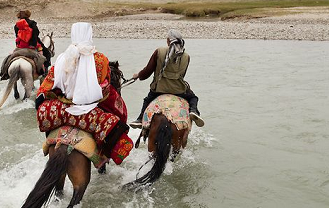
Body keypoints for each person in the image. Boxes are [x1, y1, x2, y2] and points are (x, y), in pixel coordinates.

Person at [35, 22, 133, 166]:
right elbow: (104, 84)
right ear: (90, 35)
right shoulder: (100, 59)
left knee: (43, 108)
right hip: (90, 110)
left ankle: (49, 142)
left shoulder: (62, 58)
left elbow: (48, 85)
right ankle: (104, 155)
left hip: (63, 109)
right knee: (119, 116)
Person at [129, 29, 204, 127]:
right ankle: (194, 111)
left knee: (147, 100)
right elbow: (182, 75)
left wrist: (138, 75)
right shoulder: (186, 56)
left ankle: (140, 119)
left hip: (158, 90)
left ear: (168, 40)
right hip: (178, 91)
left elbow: (147, 72)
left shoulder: (159, 51)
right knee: (193, 98)